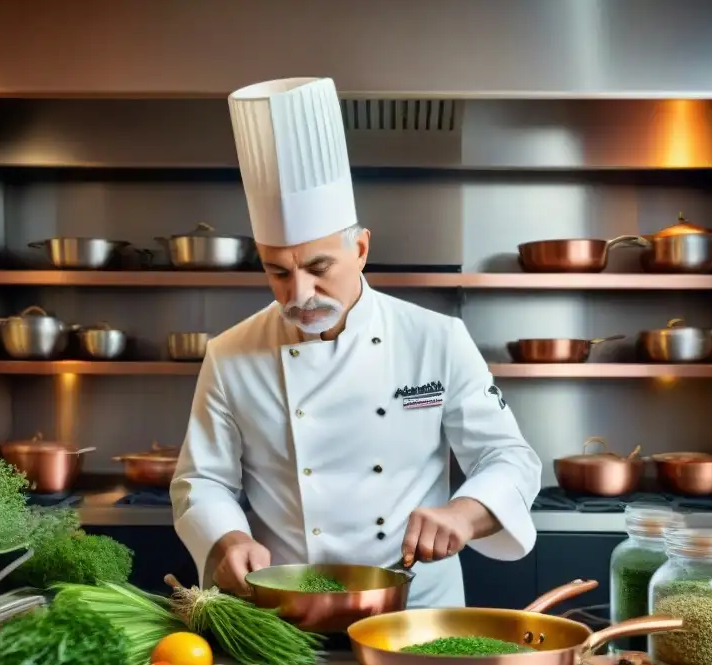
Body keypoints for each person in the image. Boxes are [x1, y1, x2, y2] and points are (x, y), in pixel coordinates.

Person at [171, 76, 542, 608]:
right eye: (278, 272)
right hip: (283, 606)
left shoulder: (435, 339)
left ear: (361, 248)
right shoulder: (230, 355)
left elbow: (511, 458)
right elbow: (202, 481)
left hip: (416, 606)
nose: (299, 294)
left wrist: (463, 513)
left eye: (319, 267)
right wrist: (228, 539)